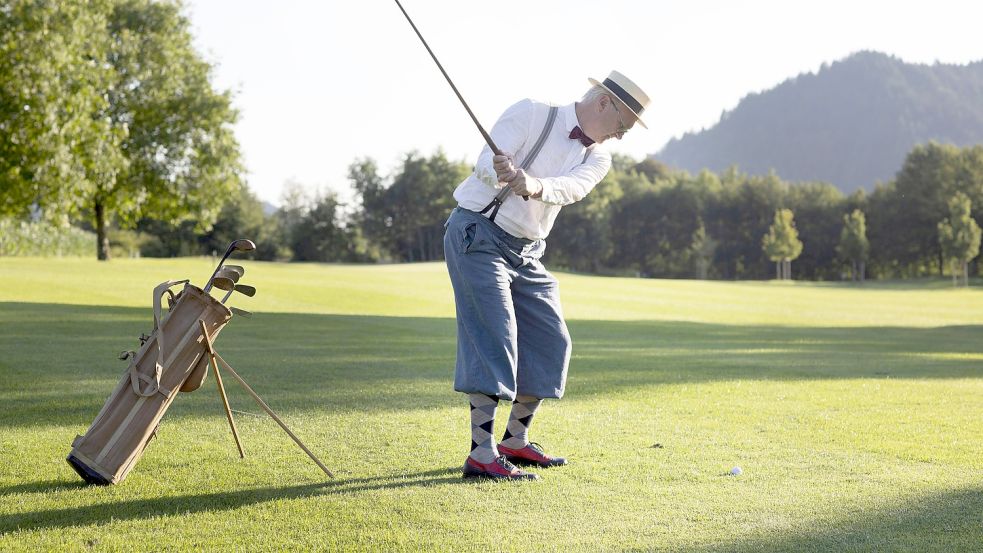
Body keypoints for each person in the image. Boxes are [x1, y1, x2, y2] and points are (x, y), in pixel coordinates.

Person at [443, 70, 651, 480]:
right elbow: (485, 162)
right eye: (623, 125)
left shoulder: (599, 156)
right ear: (604, 102)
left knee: (552, 340)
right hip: (478, 233)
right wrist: (502, 173)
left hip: (528, 251)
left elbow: (572, 188)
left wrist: (532, 184)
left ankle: (514, 442)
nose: (622, 135)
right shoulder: (532, 113)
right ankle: (481, 454)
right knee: (494, 334)